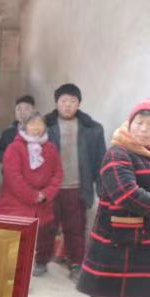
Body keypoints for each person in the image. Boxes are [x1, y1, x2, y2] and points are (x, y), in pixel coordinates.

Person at [77, 100, 150, 297]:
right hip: (114, 238)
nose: (144, 129)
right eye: (140, 123)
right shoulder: (118, 153)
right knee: (103, 291)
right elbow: (126, 194)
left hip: (146, 239)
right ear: (130, 124)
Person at [45, 83, 107, 281]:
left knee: (76, 229)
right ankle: (40, 261)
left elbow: (100, 160)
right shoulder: (44, 125)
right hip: (49, 188)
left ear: (79, 103)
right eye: (63, 101)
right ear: (56, 103)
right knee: (46, 227)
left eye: (72, 101)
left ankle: (76, 264)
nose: (67, 105)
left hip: (77, 188)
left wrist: (102, 189)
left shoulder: (92, 129)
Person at [0, 111, 63, 277]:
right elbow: (13, 177)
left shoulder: (51, 148)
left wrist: (46, 193)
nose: (37, 127)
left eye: (40, 123)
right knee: (15, 239)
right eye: (32, 123)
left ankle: (41, 262)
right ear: (24, 126)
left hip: (43, 203)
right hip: (16, 204)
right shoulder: (14, 148)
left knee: (44, 235)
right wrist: (33, 195)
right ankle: (10, 267)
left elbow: (58, 174)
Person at [0, 94, 36, 164]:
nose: (22, 112)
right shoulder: (8, 132)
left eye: (26, 109)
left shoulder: (40, 131)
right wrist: (9, 159)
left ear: (33, 111)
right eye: (19, 109)